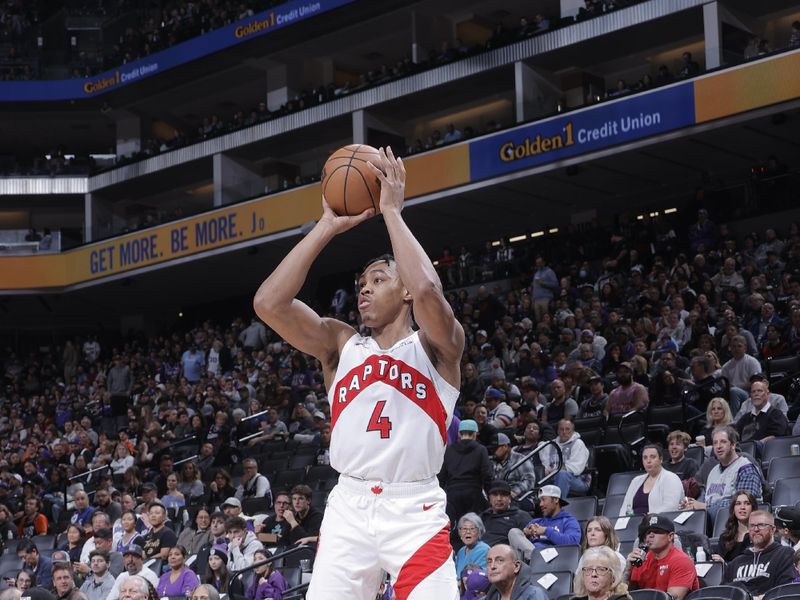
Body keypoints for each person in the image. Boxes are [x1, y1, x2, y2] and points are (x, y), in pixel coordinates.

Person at [253, 147, 463, 599]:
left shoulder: (437, 346)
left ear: (404, 290)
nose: (365, 289)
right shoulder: (340, 344)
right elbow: (268, 303)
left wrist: (391, 211)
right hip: (348, 504)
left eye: (379, 280)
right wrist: (326, 226)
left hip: (414, 508)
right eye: (360, 285)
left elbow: (427, 286)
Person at [680, 426, 762, 520]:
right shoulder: (713, 471)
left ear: (733, 445)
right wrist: (692, 504)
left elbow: (744, 504)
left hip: (737, 525)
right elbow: (707, 499)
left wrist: (703, 506)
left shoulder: (746, 468)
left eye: (723, 442)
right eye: (715, 443)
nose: (718, 446)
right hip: (713, 523)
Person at [624, 514, 699, 600]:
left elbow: (673, 598)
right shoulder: (641, 559)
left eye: (656, 531)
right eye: (647, 532)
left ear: (670, 536)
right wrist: (628, 570)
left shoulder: (681, 560)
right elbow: (626, 595)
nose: (650, 535)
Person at [724, 510, 796, 597]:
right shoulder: (736, 562)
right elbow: (723, 592)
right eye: (752, 526)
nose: (756, 529)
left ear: (773, 529)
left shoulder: (785, 554)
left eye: (761, 525)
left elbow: (785, 588)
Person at [439, 419, 492, 525]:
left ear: (459, 433)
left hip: (452, 495)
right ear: (474, 434)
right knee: (473, 525)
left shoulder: (448, 450)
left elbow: (442, 476)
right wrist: (490, 494)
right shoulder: (481, 449)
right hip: (474, 494)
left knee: (455, 527)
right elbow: (487, 475)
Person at [509, 485, 581, 560]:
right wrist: (526, 533)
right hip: (530, 562)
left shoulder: (569, 521)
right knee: (514, 532)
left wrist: (546, 531)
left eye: (544, 500)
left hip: (555, 561)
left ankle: (536, 559)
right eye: (540, 501)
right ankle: (535, 559)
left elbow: (573, 544)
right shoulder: (536, 522)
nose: (541, 504)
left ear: (556, 499)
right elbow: (520, 543)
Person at [619, 444, 683, 516]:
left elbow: (670, 507)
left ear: (661, 459)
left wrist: (648, 519)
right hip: (632, 523)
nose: (648, 461)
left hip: (656, 524)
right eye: (645, 458)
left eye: (652, 457)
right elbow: (624, 508)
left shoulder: (671, 478)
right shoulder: (636, 481)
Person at [542, 419, 590, 498]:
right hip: (553, 477)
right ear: (557, 431)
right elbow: (546, 465)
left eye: (567, 429)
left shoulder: (578, 443)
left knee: (562, 474)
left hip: (579, 480)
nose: (564, 432)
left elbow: (576, 469)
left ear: (573, 431)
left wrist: (553, 471)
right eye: (561, 429)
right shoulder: (551, 444)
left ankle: (557, 507)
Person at [733, 379, 789, 446]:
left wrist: (754, 446)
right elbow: (734, 434)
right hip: (744, 451)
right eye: (753, 392)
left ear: (767, 394)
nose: (756, 394)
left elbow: (776, 436)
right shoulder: (745, 417)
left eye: (760, 391)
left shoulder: (776, 414)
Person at [480, 481, 532, 547]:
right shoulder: (483, 517)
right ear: (489, 498)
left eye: (503, 495)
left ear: (510, 498)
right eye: (495, 495)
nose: (499, 499)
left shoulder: (521, 516)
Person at [712, 491, 757, 562]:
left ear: (753, 508)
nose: (742, 507)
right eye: (738, 504)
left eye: (747, 504)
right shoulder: (725, 538)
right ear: (733, 509)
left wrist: (726, 564)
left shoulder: (757, 535)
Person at [492, 433, 536, 501]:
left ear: (505, 447)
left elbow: (530, 481)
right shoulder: (493, 461)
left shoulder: (520, 459)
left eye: (495, 448)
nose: (493, 451)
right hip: (499, 497)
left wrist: (515, 491)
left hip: (521, 498)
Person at [454, 513, 490, 577]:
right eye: (464, 529)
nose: (468, 532)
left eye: (472, 528)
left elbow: (480, 577)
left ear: (479, 532)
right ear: (460, 533)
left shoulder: (484, 550)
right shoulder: (461, 551)